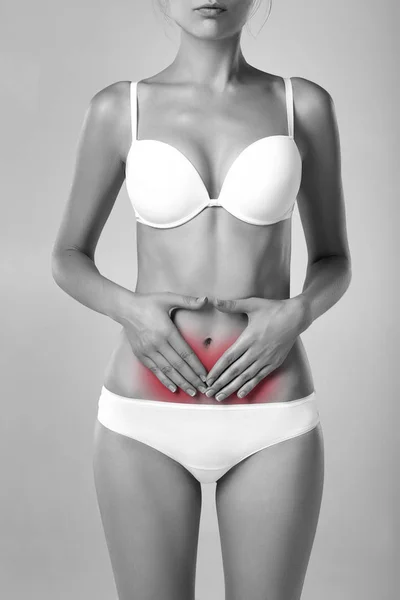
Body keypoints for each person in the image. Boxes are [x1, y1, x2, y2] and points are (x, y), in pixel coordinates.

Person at [51, 1, 352, 598]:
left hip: (272, 414)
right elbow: (67, 257)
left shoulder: (304, 106)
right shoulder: (120, 108)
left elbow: (334, 260)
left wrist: (296, 313)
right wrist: (129, 310)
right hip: (144, 417)